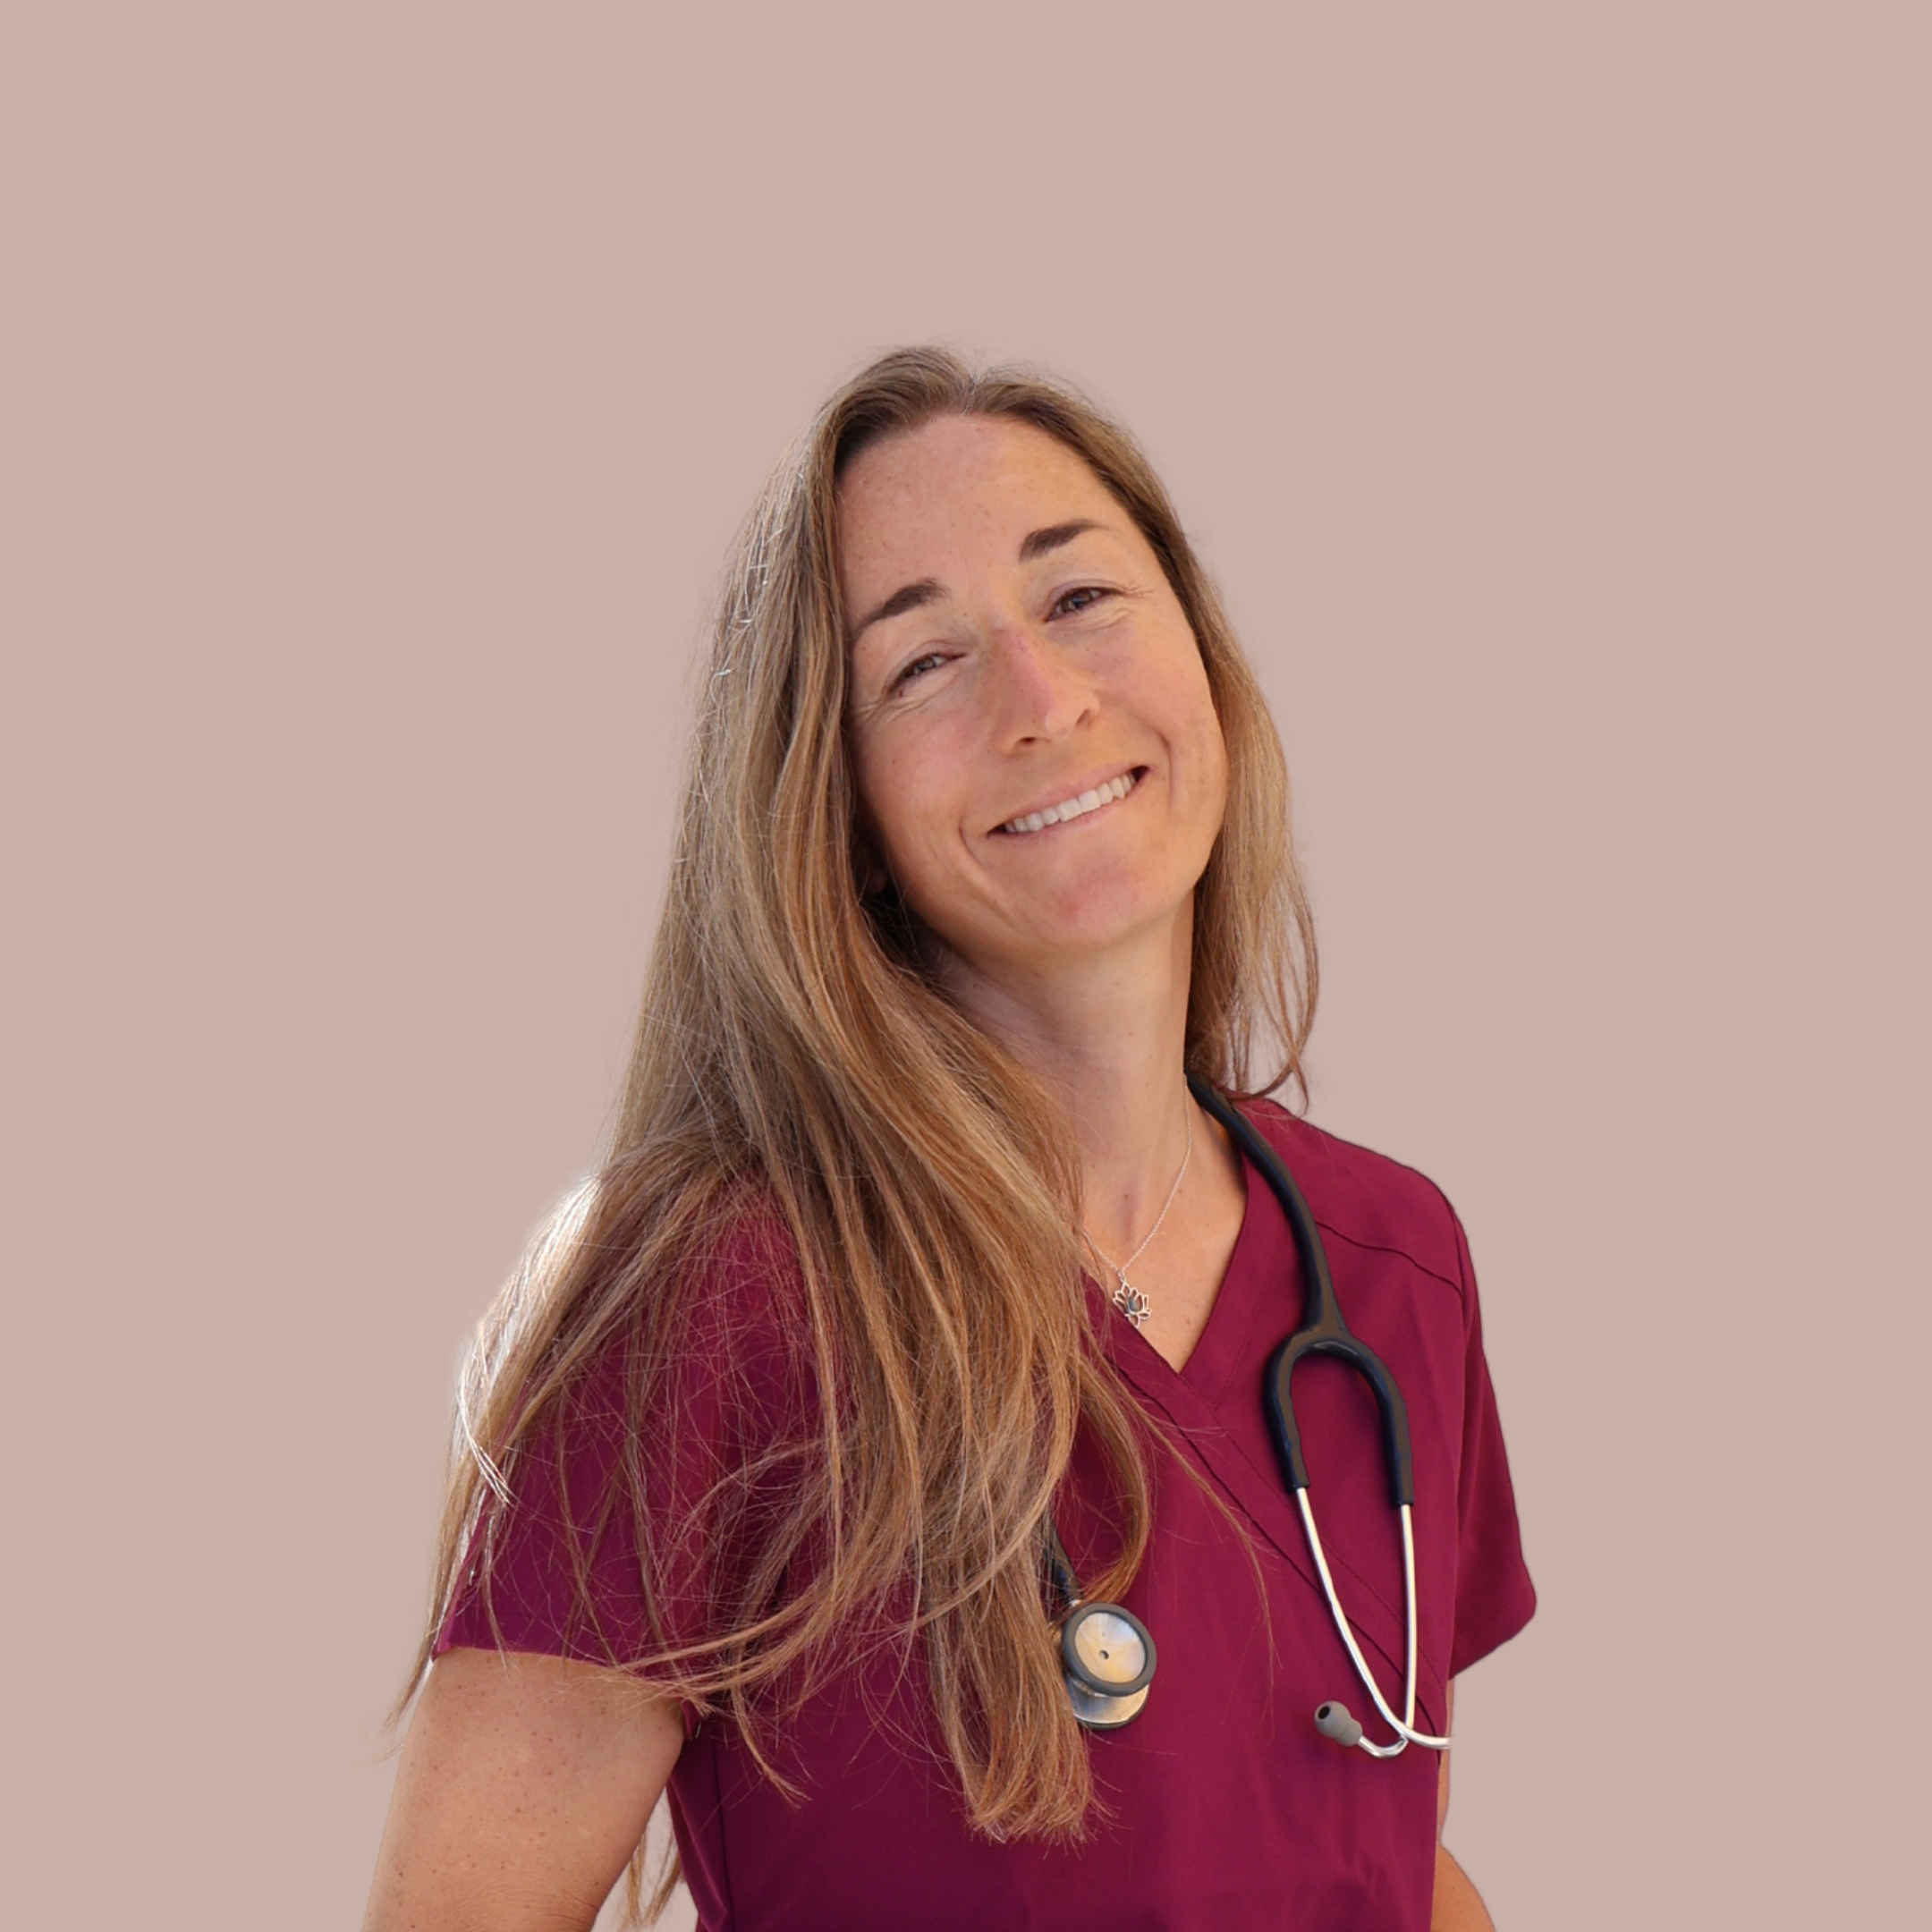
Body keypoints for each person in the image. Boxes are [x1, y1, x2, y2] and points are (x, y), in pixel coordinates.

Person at [363, 347, 1535, 1932]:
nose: (1043, 703)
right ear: (832, 799)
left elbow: (1393, 1860)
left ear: (1200, 647)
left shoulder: (1396, 1264)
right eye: (922, 665)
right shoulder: (711, 1296)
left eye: (1082, 601)